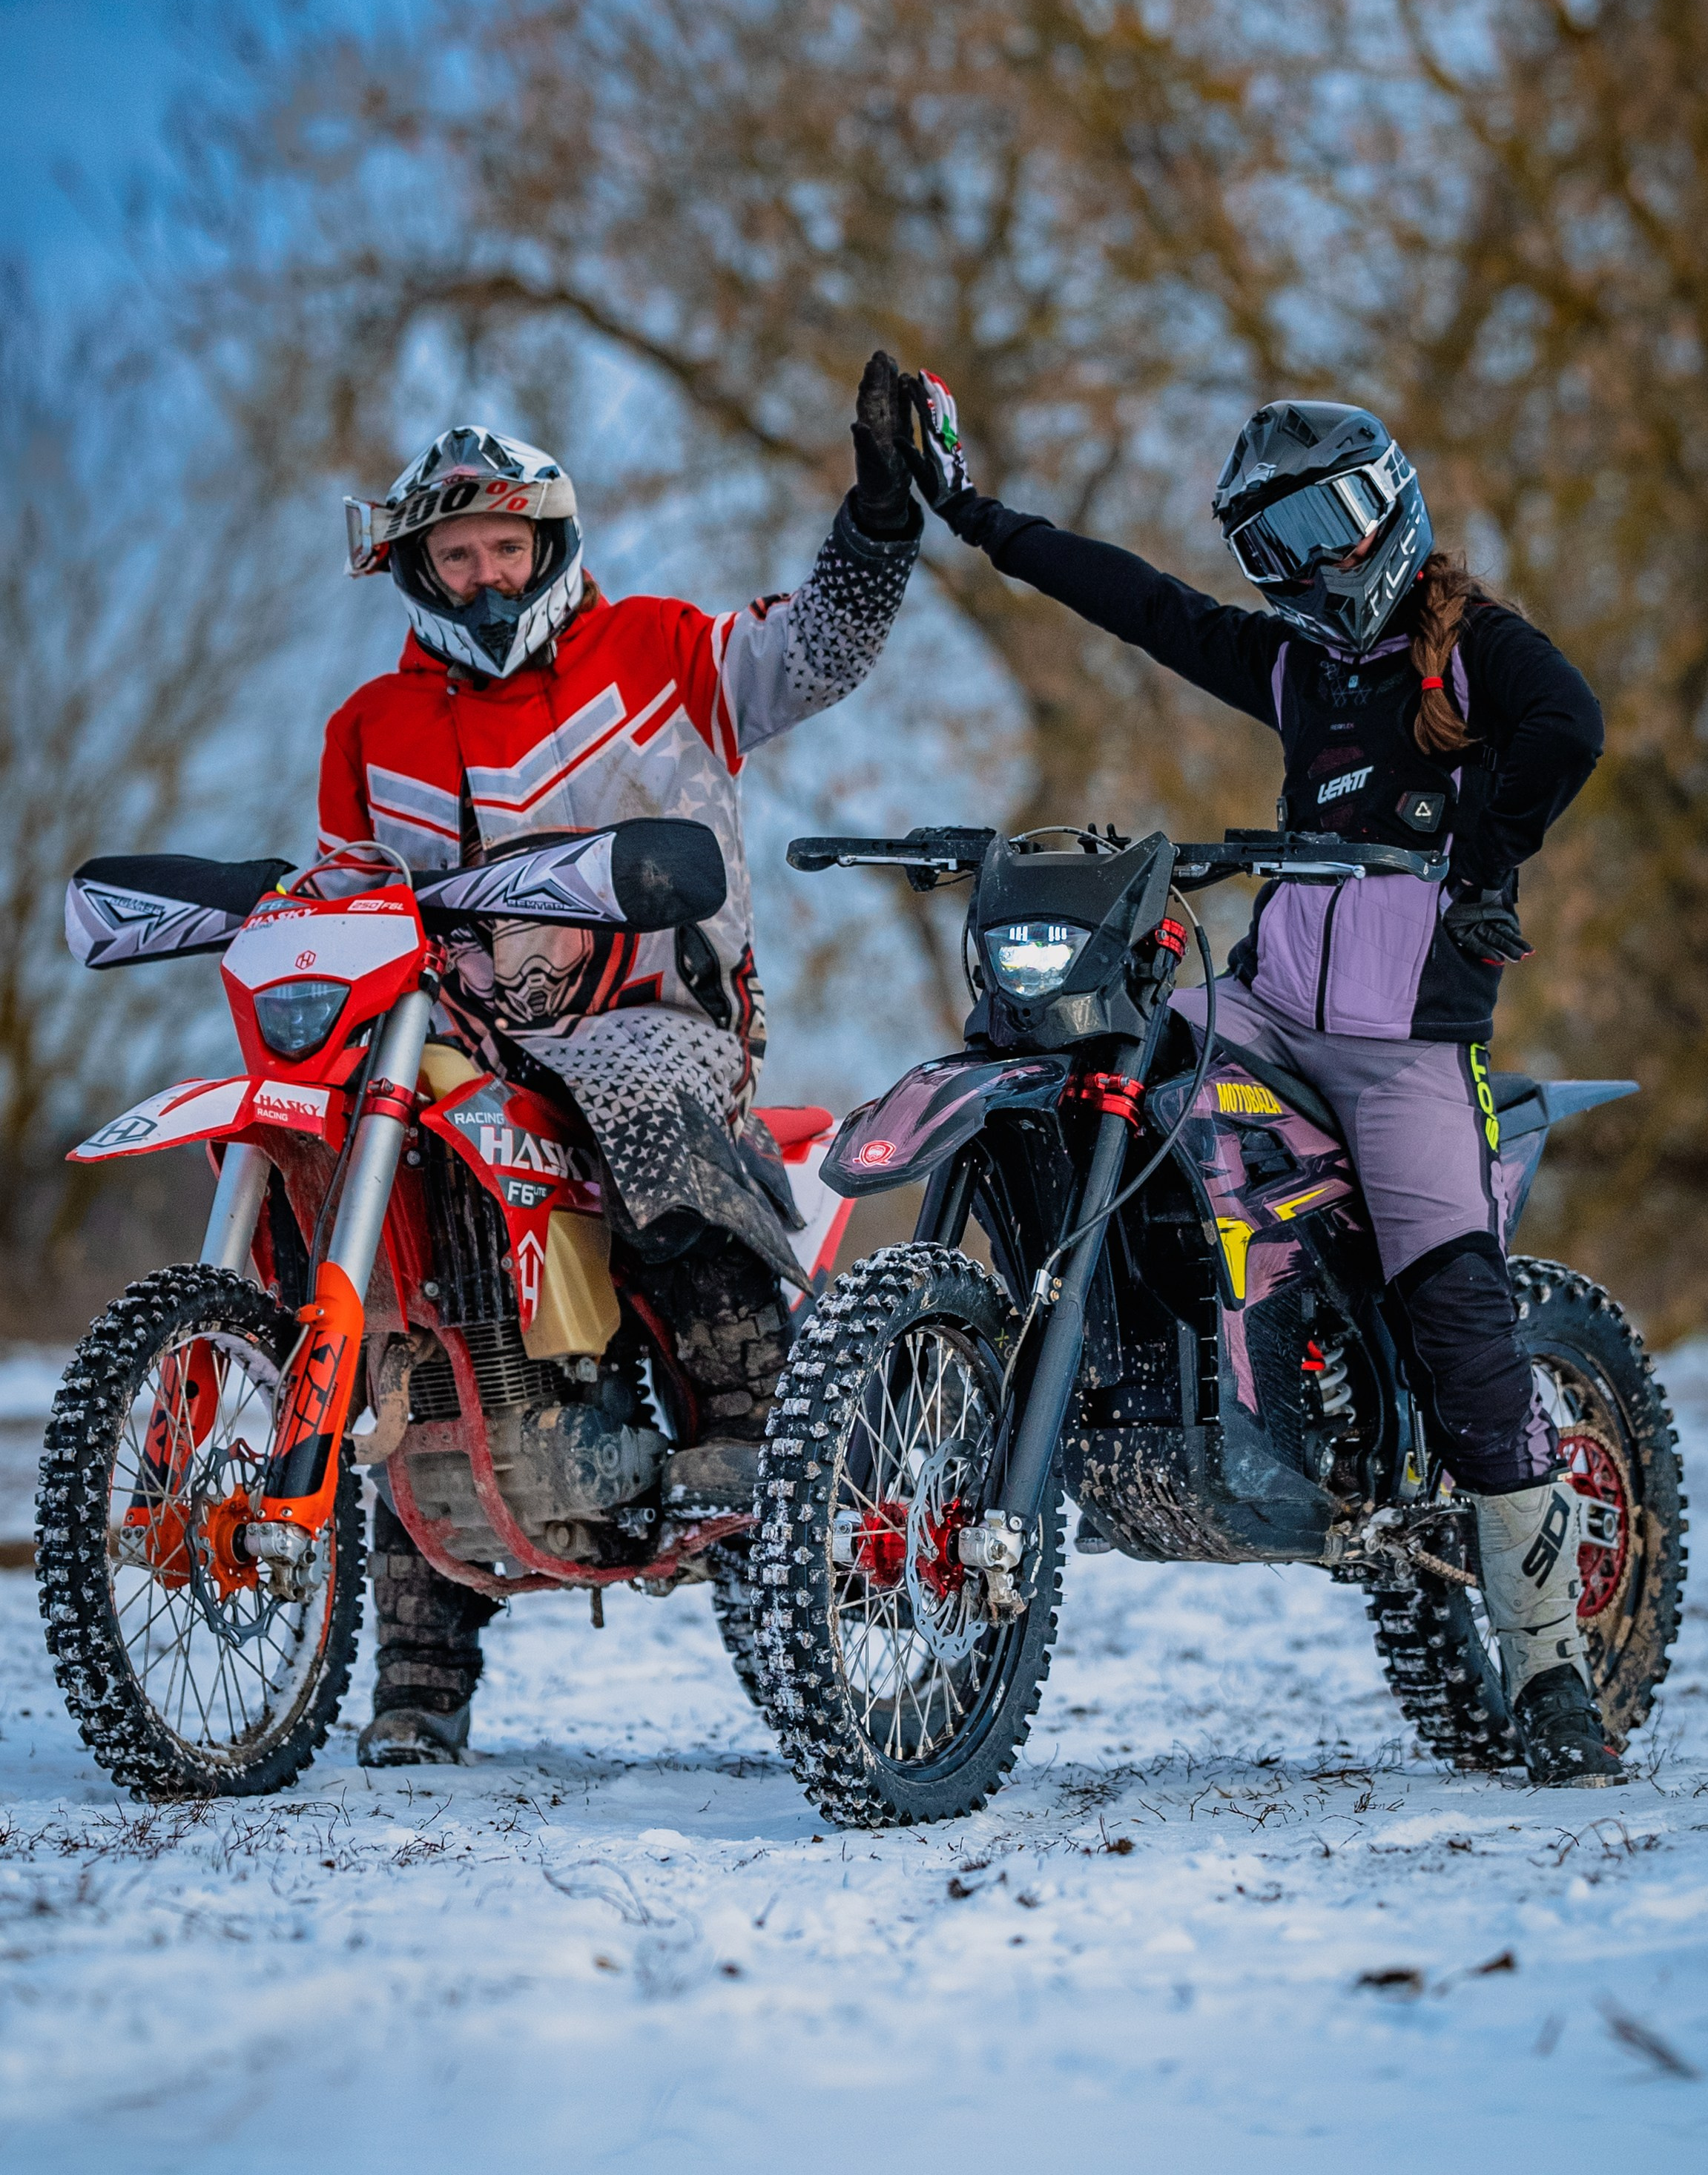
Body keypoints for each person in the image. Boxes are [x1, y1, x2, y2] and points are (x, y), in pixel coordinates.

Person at [903, 377, 1618, 1790]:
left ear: (1394, 505)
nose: (1318, 561)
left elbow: (1575, 728)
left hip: (1411, 1040)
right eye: (1275, 543)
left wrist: (1482, 865)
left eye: (1334, 521)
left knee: (1457, 1297)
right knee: (1121, 1082)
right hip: (1273, 1010)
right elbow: (1143, 603)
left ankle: (1550, 1672)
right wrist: (974, 518)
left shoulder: (1479, 652)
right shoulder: (1295, 670)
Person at [323, 357, 921, 1763]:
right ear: (417, 565)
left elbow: (814, 656)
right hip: (458, 1038)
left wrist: (880, 521)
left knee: (642, 1090)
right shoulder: (372, 726)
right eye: (455, 554)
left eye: (503, 550)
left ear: (550, 547)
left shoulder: (665, 652)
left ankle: (751, 1410)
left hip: (661, 1011)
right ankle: (417, 1671)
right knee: (411, 1285)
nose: (480, 579)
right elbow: (344, 893)